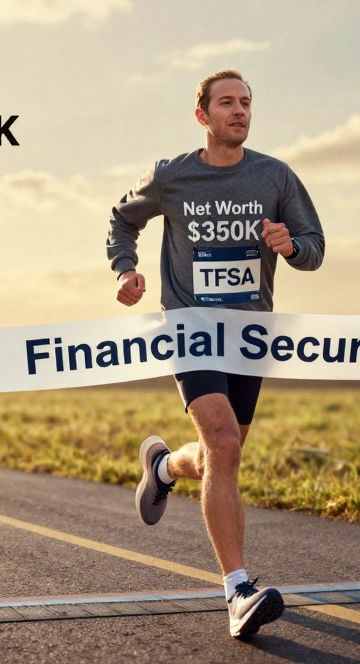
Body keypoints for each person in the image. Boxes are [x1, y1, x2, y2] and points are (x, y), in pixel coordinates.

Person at [105, 70, 324, 640]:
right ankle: (239, 593)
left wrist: (292, 246)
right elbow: (121, 218)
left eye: (246, 102)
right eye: (227, 103)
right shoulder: (171, 176)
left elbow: (314, 248)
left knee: (215, 459)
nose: (239, 111)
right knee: (224, 444)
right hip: (191, 328)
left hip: (248, 337)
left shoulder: (275, 176)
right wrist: (126, 269)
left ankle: (162, 466)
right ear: (202, 115)